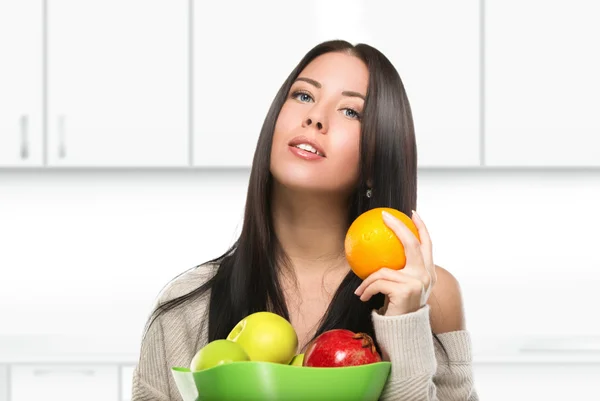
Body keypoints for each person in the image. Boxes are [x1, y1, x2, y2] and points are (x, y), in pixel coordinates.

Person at [132, 39, 479, 401]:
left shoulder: (432, 297)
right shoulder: (186, 307)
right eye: (303, 96)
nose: (315, 117)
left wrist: (405, 322)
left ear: (377, 159)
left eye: (351, 112)